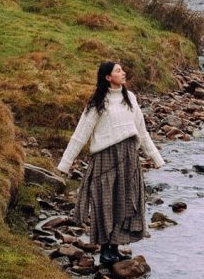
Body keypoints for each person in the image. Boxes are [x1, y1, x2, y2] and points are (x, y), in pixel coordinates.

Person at [57, 61, 164, 267]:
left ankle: (115, 247)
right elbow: (81, 135)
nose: (123, 73)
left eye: (122, 70)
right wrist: (65, 163)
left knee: (124, 202)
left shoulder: (130, 98)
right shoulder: (98, 102)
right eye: (118, 71)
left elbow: (141, 132)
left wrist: (155, 157)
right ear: (108, 77)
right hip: (105, 158)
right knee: (105, 202)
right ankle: (105, 250)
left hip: (129, 158)